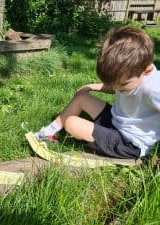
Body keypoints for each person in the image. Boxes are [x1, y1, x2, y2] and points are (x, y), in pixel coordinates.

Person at [34, 26, 160, 159]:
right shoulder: (132, 75)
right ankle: (48, 132)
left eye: (123, 85)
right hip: (117, 122)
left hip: (129, 143)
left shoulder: (154, 89)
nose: (116, 89)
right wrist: (92, 86)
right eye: (113, 84)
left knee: (72, 123)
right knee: (82, 97)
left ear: (147, 70)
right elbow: (116, 86)